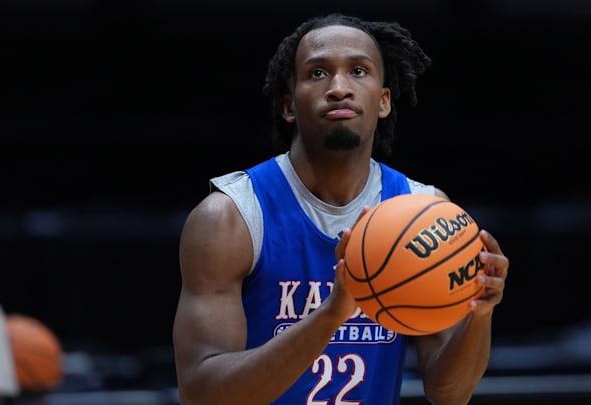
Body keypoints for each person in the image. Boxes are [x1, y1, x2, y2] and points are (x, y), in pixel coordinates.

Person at [172, 12, 509, 405]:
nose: (338, 88)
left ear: (384, 101)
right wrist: (332, 313)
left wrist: (480, 313)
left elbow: (448, 394)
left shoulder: (427, 214)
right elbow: (201, 395)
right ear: (288, 105)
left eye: (359, 71)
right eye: (317, 73)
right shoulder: (230, 218)